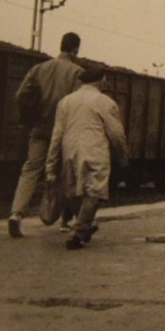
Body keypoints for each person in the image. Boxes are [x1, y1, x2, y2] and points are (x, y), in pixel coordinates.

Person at [7, 31, 82, 238]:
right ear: (75, 49)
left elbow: (21, 95)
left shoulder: (40, 68)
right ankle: (66, 221)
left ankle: (16, 214)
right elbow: (77, 103)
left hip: (39, 128)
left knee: (30, 169)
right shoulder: (77, 73)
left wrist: (30, 117)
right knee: (66, 173)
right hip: (64, 132)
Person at [45, 66, 129, 250]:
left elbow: (56, 135)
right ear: (101, 80)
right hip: (94, 150)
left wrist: (51, 164)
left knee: (73, 192)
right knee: (94, 192)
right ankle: (78, 232)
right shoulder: (105, 102)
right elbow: (116, 134)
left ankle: (85, 226)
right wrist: (123, 157)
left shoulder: (65, 102)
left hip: (69, 149)